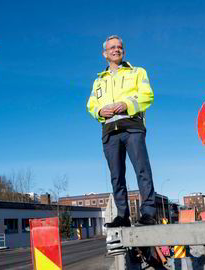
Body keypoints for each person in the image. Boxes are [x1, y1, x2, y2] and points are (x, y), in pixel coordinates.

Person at [87, 35, 156, 227]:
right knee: (116, 176)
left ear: (123, 51)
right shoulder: (98, 81)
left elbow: (146, 96)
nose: (116, 50)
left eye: (119, 47)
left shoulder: (137, 72)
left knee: (142, 170)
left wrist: (125, 104)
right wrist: (100, 111)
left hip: (132, 127)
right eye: (111, 48)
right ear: (105, 54)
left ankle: (148, 213)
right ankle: (122, 216)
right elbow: (91, 105)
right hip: (109, 131)